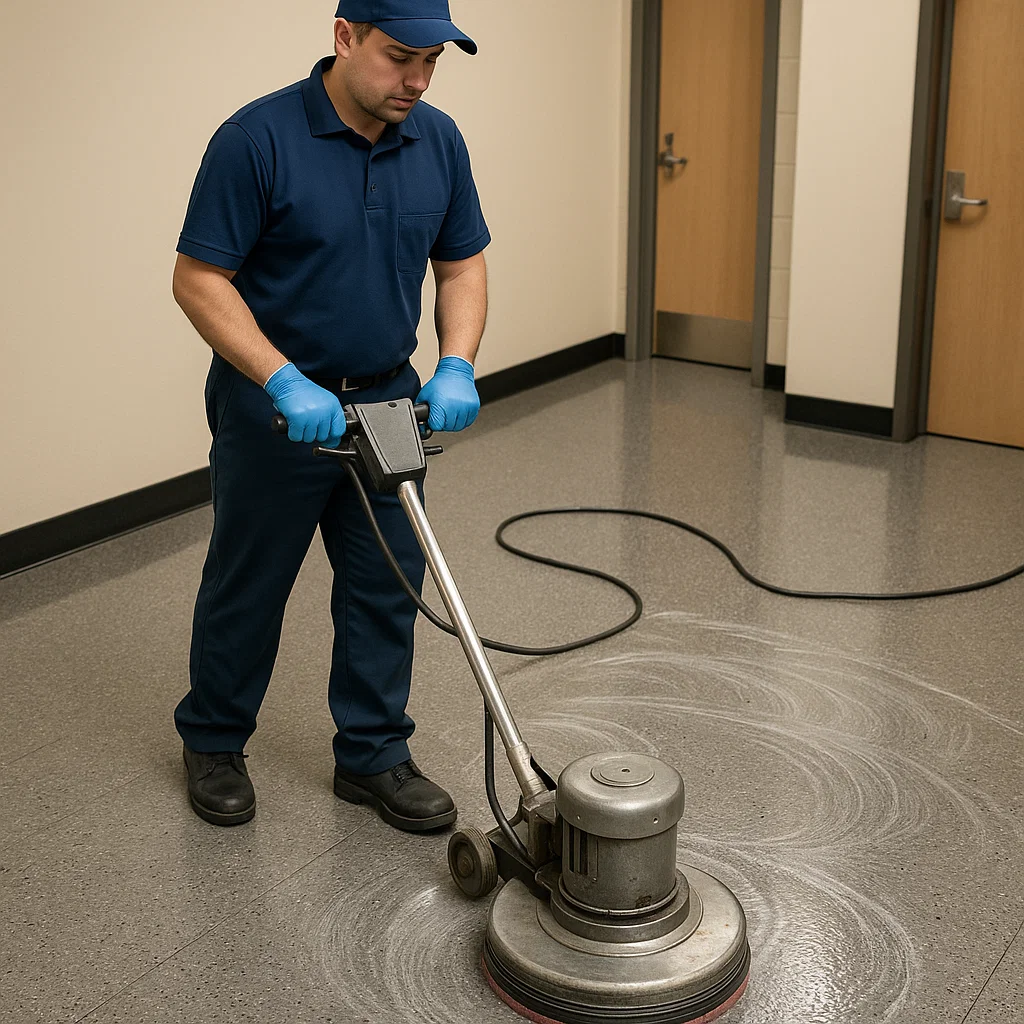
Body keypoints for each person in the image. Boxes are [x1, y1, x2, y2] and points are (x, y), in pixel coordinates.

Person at [170, 0, 489, 832]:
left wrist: (455, 361)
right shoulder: (256, 140)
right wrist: (281, 380)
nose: (416, 80)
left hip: (389, 394)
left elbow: (461, 266)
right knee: (251, 580)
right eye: (398, 57)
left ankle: (375, 754)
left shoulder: (440, 140)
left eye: (432, 62)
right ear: (344, 37)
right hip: (281, 404)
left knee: (388, 584)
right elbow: (199, 279)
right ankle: (212, 739)